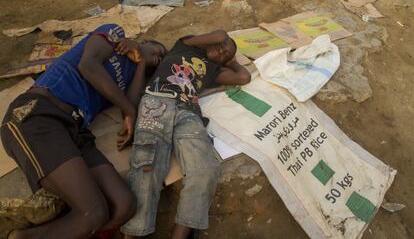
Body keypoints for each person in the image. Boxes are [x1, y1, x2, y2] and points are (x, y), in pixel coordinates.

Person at [0, 23, 167, 239]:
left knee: (124, 204)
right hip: (39, 114)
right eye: (158, 50)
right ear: (145, 41)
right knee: (93, 213)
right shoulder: (114, 35)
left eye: (161, 59)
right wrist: (128, 108)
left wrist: (143, 66)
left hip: (74, 130)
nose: (159, 57)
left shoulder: (132, 76)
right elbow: (88, 66)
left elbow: (130, 106)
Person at [121, 30, 251, 239]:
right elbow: (220, 35)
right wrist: (225, 46)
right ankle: (134, 234)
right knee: (147, 169)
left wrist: (231, 60)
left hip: (188, 113)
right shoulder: (185, 46)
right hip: (156, 101)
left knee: (206, 169)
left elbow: (244, 77)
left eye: (225, 54)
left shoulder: (213, 71)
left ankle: (179, 235)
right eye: (221, 46)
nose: (221, 50)